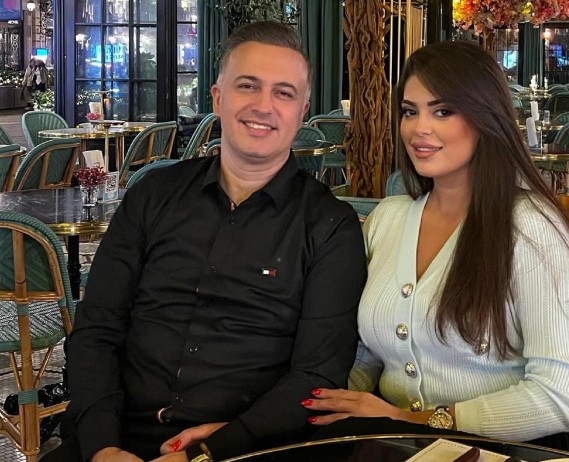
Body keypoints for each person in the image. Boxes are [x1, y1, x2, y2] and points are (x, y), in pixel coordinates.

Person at [44, 21, 367, 462]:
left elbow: (317, 376)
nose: (264, 105)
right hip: (116, 436)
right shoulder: (152, 195)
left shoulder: (330, 226)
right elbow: (96, 330)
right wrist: (103, 446)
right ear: (218, 97)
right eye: (247, 86)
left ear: (302, 110)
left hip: (245, 447)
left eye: (283, 93)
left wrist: (218, 447)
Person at [302, 40, 569, 458]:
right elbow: (368, 354)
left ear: (485, 117)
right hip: (398, 444)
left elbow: (562, 396)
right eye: (410, 111)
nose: (419, 129)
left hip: (517, 448)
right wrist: (315, 407)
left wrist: (410, 419)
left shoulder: (530, 228)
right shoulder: (388, 219)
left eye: (442, 111)